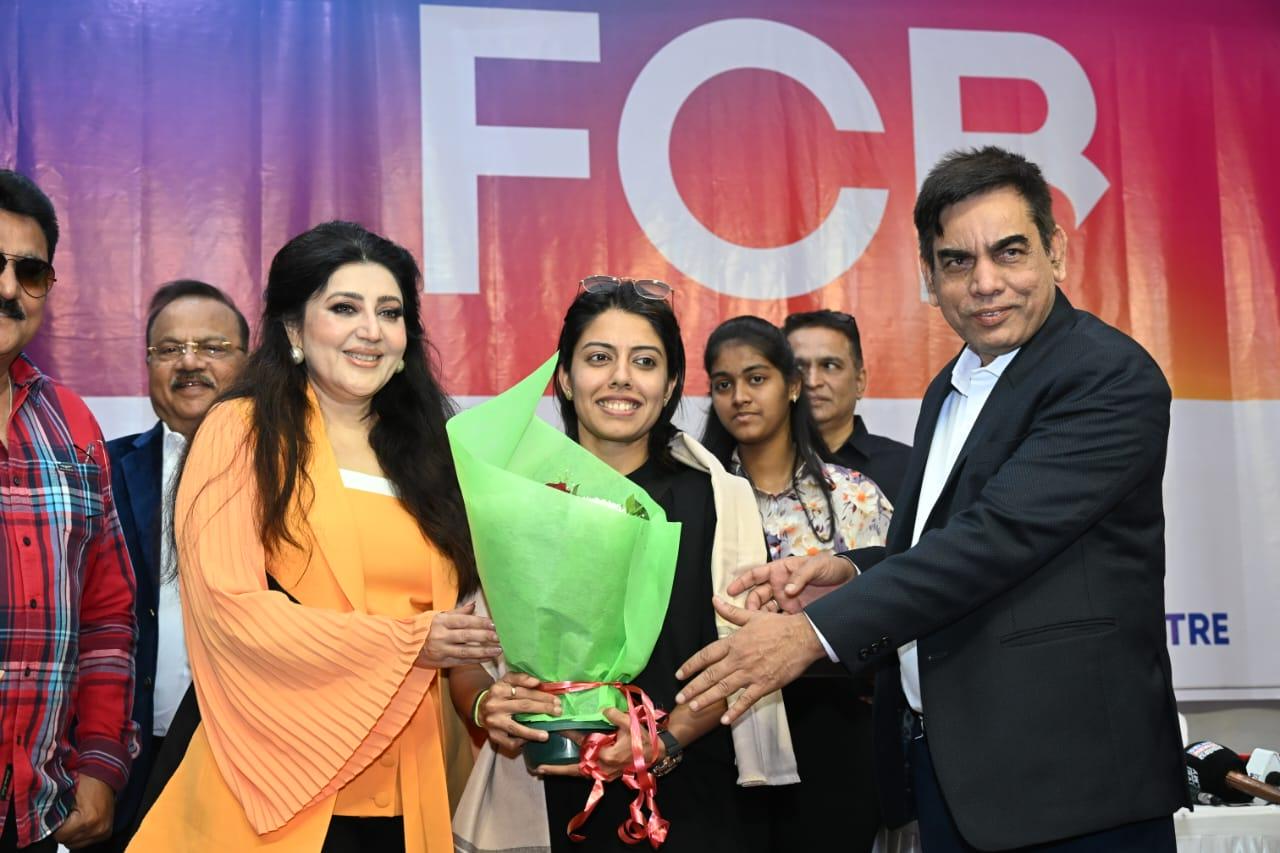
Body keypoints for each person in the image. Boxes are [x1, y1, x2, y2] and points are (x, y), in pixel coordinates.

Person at [676, 147, 1186, 851]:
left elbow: (995, 540)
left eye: (1010, 251)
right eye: (957, 261)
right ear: (929, 276)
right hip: (955, 776)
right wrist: (851, 572)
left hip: (1075, 786)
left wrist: (809, 635)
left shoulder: (1107, 375)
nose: (985, 282)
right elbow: (940, 542)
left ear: (1057, 251)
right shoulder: (950, 385)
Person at [127, 221, 499, 853]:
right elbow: (231, 615)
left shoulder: (434, 455)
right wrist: (411, 641)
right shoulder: (240, 431)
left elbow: (457, 625)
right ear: (295, 331)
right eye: (344, 308)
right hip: (272, 788)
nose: (371, 330)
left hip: (408, 784)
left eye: (390, 312)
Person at [451, 277, 772, 853]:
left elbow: (744, 657)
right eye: (599, 358)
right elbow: (466, 655)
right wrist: (484, 705)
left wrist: (664, 741)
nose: (621, 378)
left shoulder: (717, 500)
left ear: (669, 385)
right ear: (565, 379)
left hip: (688, 801)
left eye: (644, 362)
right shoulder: (511, 496)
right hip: (544, 794)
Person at [701, 315, 891, 853]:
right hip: (720, 730)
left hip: (834, 730)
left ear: (791, 386)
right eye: (723, 383)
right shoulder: (695, 496)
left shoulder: (853, 495)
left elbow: (898, 609)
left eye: (756, 378)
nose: (739, 396)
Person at [0, 170, 139, 852]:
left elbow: (106, 616)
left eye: (29, 272)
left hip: (32, 814)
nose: (7, 287)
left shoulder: (73, 424)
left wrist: (102, 763)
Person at [90, 281, 249, 853]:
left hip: (256, 761)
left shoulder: (292, 472)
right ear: (149, 365)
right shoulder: (99, 470)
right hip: (128, 765)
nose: (189, 362)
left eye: (212, 347)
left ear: (249, 362)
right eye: (170, 349)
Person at [783, 309, 911, 504]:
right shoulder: (756, 466)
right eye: (799, 367)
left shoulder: (908, 468)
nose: (812, 381)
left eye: (829, 365)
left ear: (859, 382)